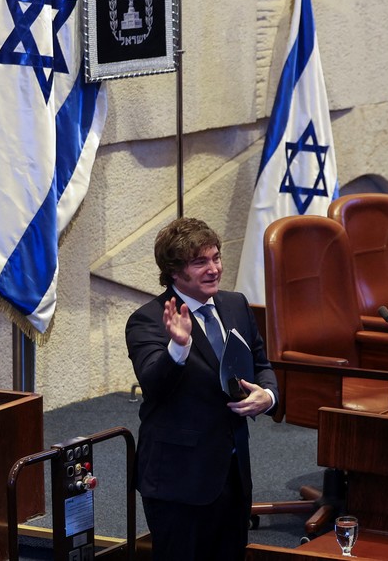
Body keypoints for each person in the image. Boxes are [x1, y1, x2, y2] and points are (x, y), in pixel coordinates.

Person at [125, 217, 278, 561]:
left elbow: (261, 364)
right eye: (199, 262)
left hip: (233, 473)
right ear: (174, 272)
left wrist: (267, 396)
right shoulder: (148, 319)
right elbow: (153, 385)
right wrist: (178, 347)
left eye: (216, 257)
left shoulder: (236, 305)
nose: (214, 269)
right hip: (180, 480)